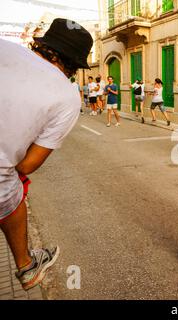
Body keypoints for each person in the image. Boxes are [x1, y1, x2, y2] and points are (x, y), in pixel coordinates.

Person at [0, 18, 93, 290]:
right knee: (11, 187)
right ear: (73, 65)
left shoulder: (5, 48)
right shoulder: (68, 97)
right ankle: (26, 265)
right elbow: (27, 165)